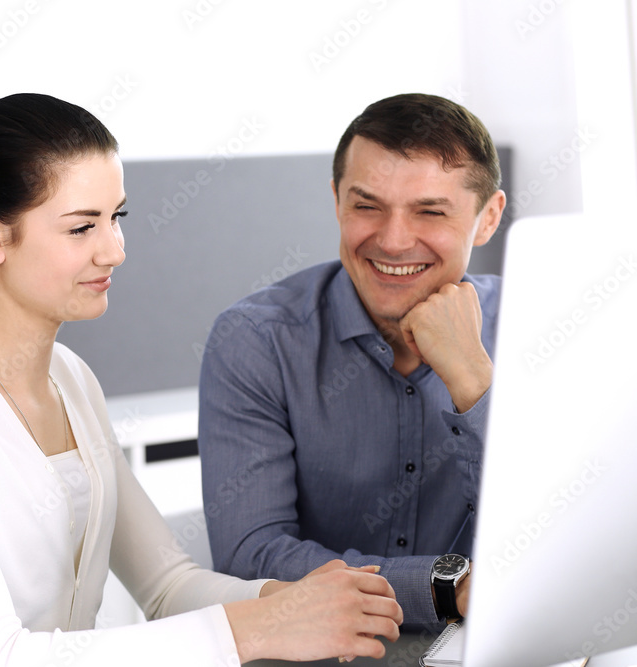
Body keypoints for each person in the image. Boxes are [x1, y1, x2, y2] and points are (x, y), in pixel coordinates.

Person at [0, 92, 403, 666]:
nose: (114, 250)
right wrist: (252, 630)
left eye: (116, 218)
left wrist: (290, 604)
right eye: (81, 228)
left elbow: (167, 586)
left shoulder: (71, 380)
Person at [198, 93, 507, 630]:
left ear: (487, 219)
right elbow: (252, 555)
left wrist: (474, 382)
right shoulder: (257, 340)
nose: (391, 240)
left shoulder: (535, 328)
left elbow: (559, 536)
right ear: (337, 199)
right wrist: (444, 588)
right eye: (367, 206)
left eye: (430, 211)